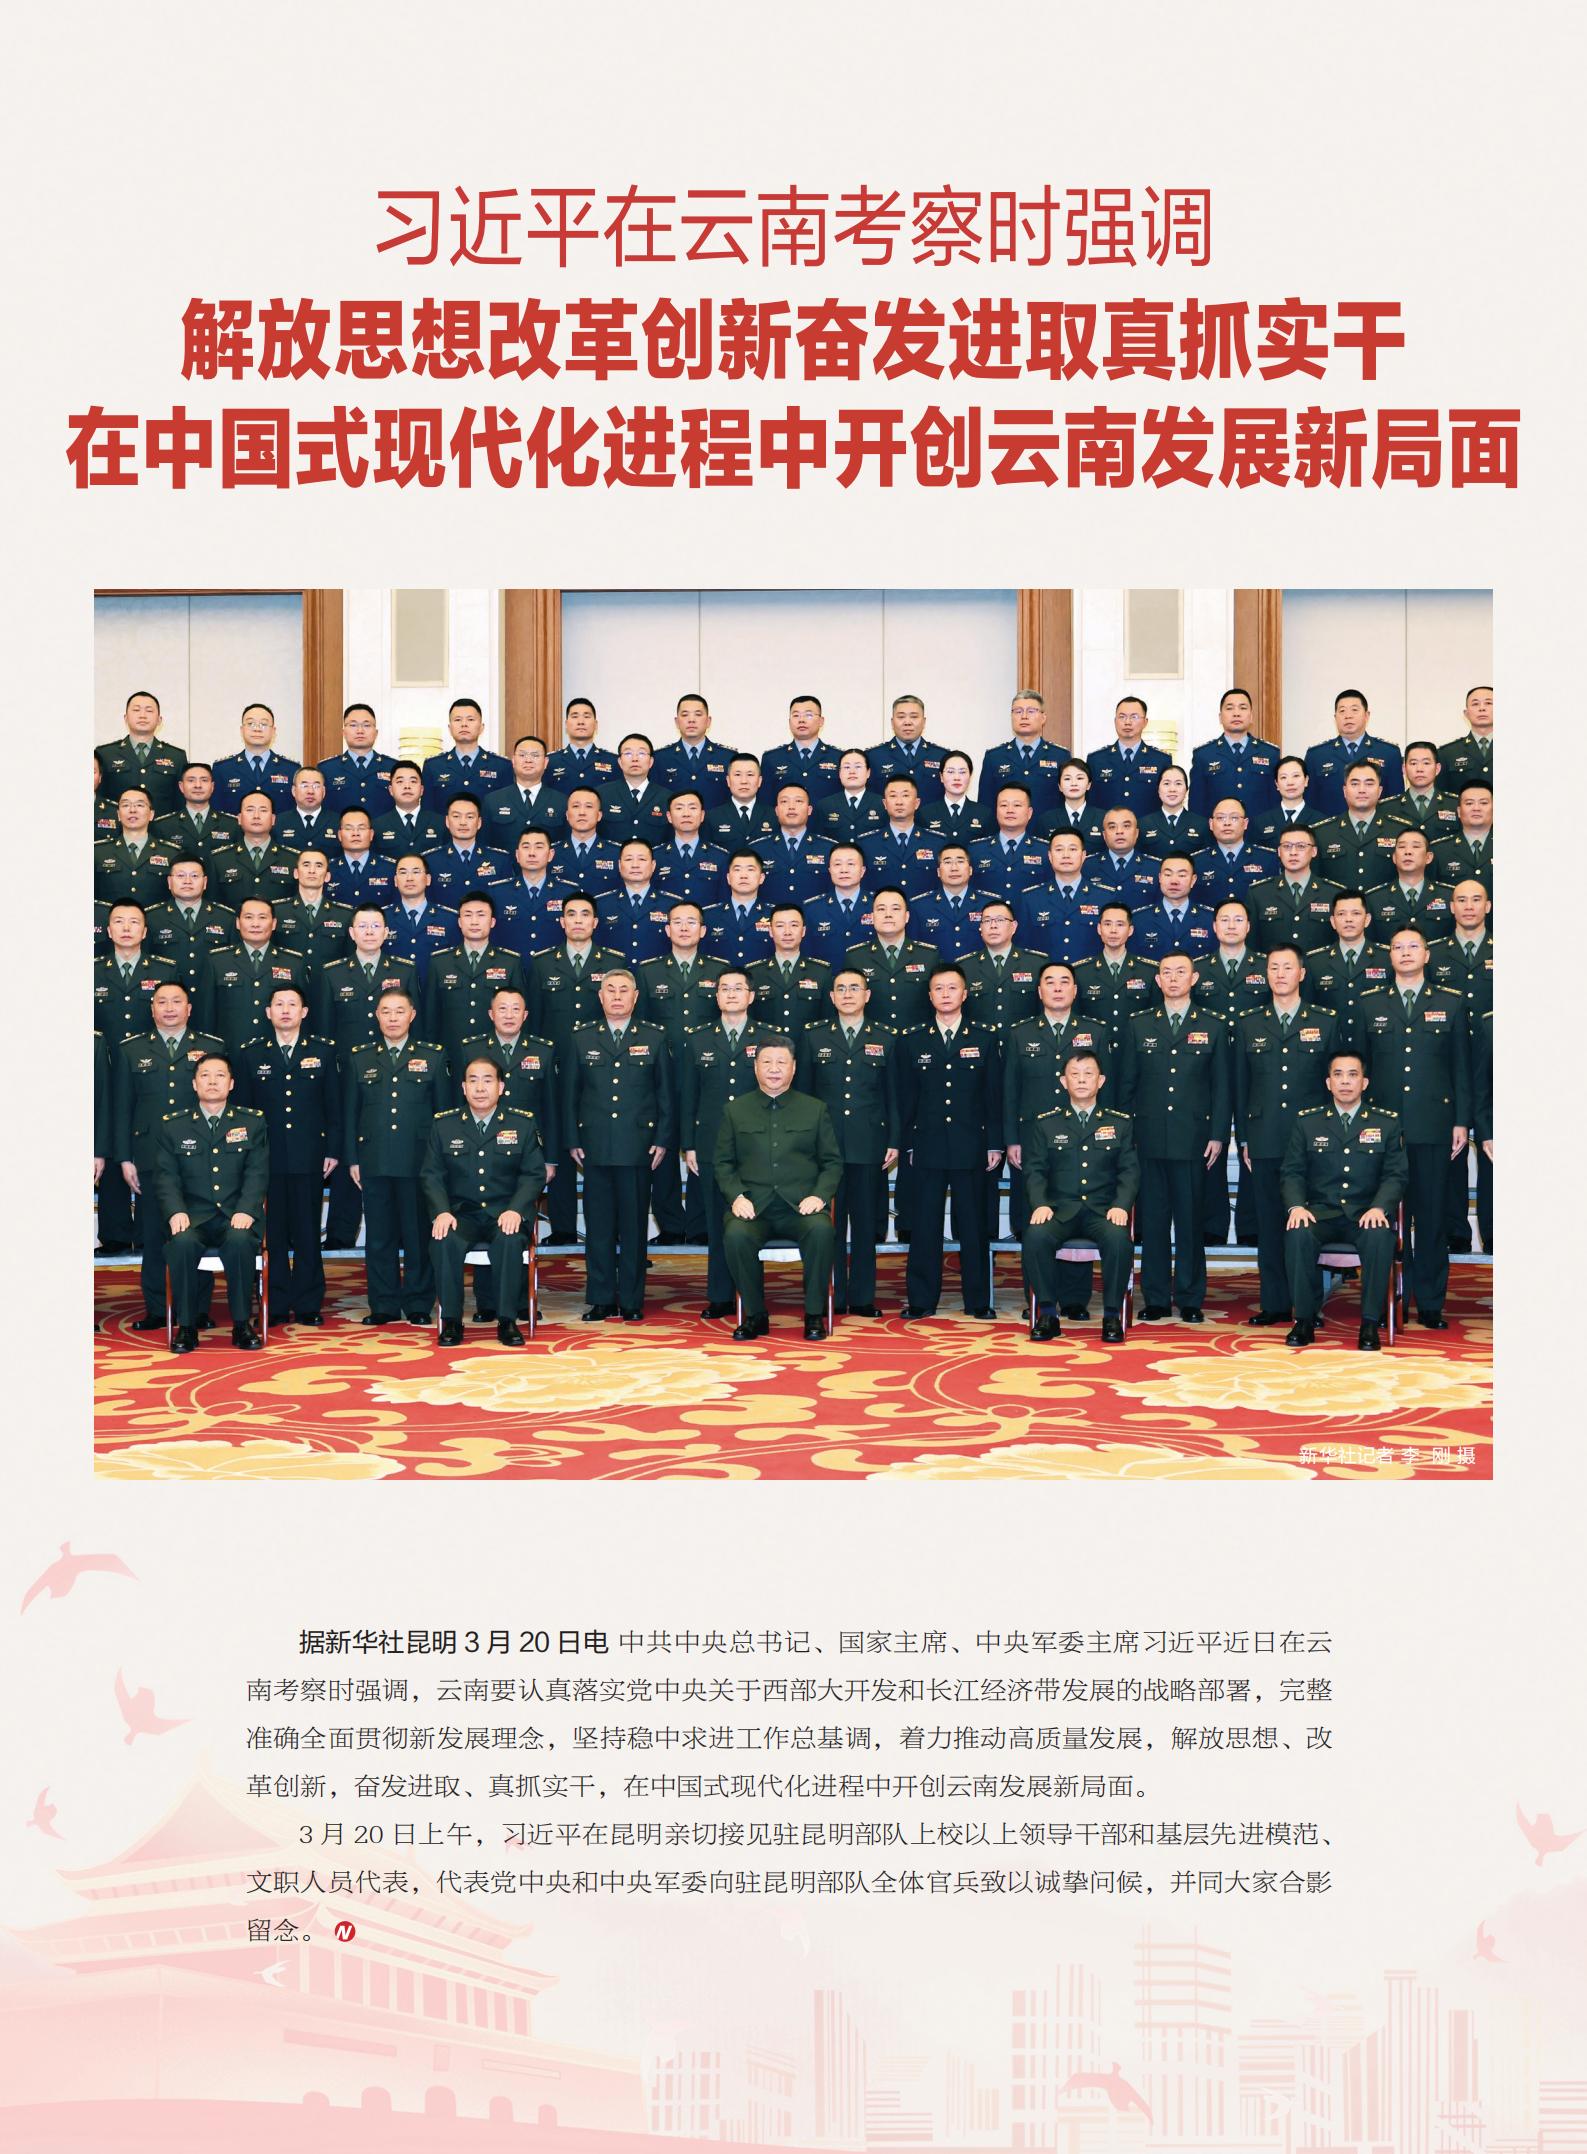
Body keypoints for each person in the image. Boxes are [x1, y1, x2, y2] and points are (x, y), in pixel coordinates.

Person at [1357, 926, 1470, 1327]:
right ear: (1389, 956)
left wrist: (1461, 1120)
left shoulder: (1451, 1002)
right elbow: (1360, 1071)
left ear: (1427, 955)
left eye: (1413, 947)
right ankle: (1380, 1298)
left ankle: (1431, 1303)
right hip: (1382, 1134)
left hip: (1433, 1127)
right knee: (1380, 1218)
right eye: (1397, 947)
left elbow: (1461, 1068)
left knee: (1432, 1217)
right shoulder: (1370, 1003)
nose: (1405, 953)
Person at [1117, 951, 1228, 1321]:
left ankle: (1191, 1298)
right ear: (1158, 980)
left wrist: (1218, 1134)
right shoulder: (1139, 1024)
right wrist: (1125, 1137)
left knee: (1191, 1222)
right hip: (1147, 1139)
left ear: (1194, 979)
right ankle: (1156, 1298)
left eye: (1182, 972)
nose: (1174, 978)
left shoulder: (1213, 1025)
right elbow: (1126, 1086)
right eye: (1167, 972)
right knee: (1153, 1222)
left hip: (1194, 1139)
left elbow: (1221, 1088)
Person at [1234, 945, 1340, 1324]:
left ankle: (1308, 1306)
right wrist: (1244, 1138)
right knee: (1269, 1225)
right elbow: (1241, 1086)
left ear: (1302, 974)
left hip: (1312, 1142)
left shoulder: (1325, 1021)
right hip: (1263, 1137)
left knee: (1306, 1224)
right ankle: (1275, 1304)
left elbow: (1334, 1084)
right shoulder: (1249, 1023)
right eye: (1273, 968)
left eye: (1287, 967)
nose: (1280, 974)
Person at [112, 982, 224, 1329]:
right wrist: (125, 1158)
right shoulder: (131, 1049)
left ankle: (199, 1308)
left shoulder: (211, 1047)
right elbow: (122, 1107)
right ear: (152, 1009)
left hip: (200, 1156)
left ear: (189, 1008)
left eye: (177, 1001)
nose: (170, 1008)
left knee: (198, 1231)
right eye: (162, 1002)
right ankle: (158, 1309)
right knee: (154, 1233)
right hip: (149, 1156)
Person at [564, 968, 673, 1321]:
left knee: (633, 1228)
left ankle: (631, 1299)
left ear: (635, 997)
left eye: (623, 990)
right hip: (594, 1145)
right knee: (598, 1227)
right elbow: (570, 1094)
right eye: (609, 990)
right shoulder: (581, 1037)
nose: (616, 996)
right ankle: (600, 1298)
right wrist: (572, 1138)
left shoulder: (654, 1036)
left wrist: (662, 1139)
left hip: (638, 1146)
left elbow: (665, 1093)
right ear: (600, 997)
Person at [715, 1040, 843, 1340]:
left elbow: (832, 1162)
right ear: (756, 1067)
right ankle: (755, 1315)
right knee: (736, 1235)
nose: (774, 1069)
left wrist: (819, 1195)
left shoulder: (814, 1109)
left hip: (800, 1208)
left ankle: (814, 1315)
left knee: (821, 1230)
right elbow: (723, 1163)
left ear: (793, 1068)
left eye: (781, 1063)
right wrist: (736, 1197)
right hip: (754, 1208)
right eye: (767, 1062)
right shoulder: (735, 1110)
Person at [1281, 1052, 1409, 1350]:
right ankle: (1303, 1320)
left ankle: (1369, 1323)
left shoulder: (1386, 1123)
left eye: (1353, 1075)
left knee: (1379, 1236)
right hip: (1321, 1214)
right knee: (1297, 1233)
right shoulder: (1308, 1122)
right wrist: (1296, 1206)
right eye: (1338, 1075)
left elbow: (1396, 1175)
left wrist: (1379, 1207)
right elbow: (1292, 1172)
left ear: (1365, 1082)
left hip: (1365, 1214)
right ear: (1328, 1083)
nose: (1345, 1081)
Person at [896, 966, 1002, 1320]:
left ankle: (978, 1301)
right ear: (929, 996)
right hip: (926, 1146)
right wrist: (906, 1144)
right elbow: (905, 1099)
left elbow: (993, 1096)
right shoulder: (912, 1040)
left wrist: (995, 1144)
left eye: (952, 988)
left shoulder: (985, 1038)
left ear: (964, 994)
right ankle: (922, 1300)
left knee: (973, 1226)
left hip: (972, 1145)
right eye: (938, 988)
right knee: (924, 1226)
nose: (945, 994)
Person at [1003, 961, 1113, 1296]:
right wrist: (1011, 1139)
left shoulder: (1094, 1032)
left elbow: (1109, 1090)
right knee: (1035, 1217)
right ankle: (1037, 1297)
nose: (1057, 988)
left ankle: (1076, 1298)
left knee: (1078, 1207)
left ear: (1075, 991)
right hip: (1033, 1141)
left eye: (1064, 982)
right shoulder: (1020, 1033)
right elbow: (1010, 1091)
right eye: (1049, 982)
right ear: (1039, 991)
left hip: (1083, 1139)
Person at [235, 983, 341, 1327]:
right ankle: (276, 1302)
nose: (285, 1010)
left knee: (308, 1232)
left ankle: (309, 1302)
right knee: (274, 1234)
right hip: (266, 1160)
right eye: (278, 1004)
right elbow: (244, 1113)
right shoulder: (251, 1054)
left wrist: (333, 1150)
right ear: (268, 1012)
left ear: (304, 1012)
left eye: (292, 1004)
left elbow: (333, 1106)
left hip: (310, 1156)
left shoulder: (323, 1051)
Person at [423, 1058, 547, 1347]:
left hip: (504, 1213)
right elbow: (431, 1175)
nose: (480, 1088)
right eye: (473, 1081)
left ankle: (507, 1321)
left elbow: (533, 1174)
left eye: (488, 1080)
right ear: (463, 1087)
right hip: (461, 1215)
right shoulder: (444, 1125)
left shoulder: (521, 1123)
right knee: (444, 1240)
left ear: (501, 1087)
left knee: (508, 1240)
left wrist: (517, 1209)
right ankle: (451, 1321)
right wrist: (441, 1212)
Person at [796, 970, 899, 1316]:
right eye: (840, 989)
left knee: (866, 1224)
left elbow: (893, 1095)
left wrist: (894, 1139)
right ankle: (834, 1295)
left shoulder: (886, 1037)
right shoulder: (813, 1036)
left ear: (867, 995)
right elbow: (803, 1096)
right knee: (830, 1226)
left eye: (855, 988)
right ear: (832, 997)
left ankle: (863, 1297)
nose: (848, 994)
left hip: (870, 1144)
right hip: (825, 1148)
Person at [344, 988, 448, 1324]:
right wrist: (353, 1158)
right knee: (379, 1236)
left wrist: (441, 1161)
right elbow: (351, 1113)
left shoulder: (433, 1056)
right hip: (374, 1159)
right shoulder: (360, 1057)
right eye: (386, 1011)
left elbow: (443, 1116)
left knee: (418, 1235)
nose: (392, 1018)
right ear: (376, 1015)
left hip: (419, 1161)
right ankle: (384, 1304)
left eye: (399, 1011)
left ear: (412, 1015)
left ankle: (418, 1302)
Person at [154, 1053, 269, 1352]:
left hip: (235, 1214)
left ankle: (242, 1325)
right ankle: (187, 1327)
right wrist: (175, 1211)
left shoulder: (251, 1122)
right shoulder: (173, 1125)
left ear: (231, 1083)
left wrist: (247, 1209)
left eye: (220, 1075)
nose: (213, 1081)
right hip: (193, 1217)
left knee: (240, 1241)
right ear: (194, 1084)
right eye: (205, 1075)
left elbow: (257, 1172)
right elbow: (166, 1176)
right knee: (181, 1243)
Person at [528, 892, 626, 1243]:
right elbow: (534, 1022)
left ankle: (613, 1233)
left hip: (603, 1070)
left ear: (595, 922)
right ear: (562, 921)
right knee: (558, 1144)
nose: (579, 920)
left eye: (585, 914)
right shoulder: (542, 964)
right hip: (556, 1071)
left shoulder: (614, 962)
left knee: (602, 1148)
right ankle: (564, 1228)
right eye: (572, 914)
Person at [1021, 1049, 1138, 1342]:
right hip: (1060, 1211)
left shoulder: (1120, 1123)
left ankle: (1111, 1316)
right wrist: (1040, 1203)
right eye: (1075, 1074)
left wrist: (1121, 1205)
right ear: (1064, 1081)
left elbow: (1129, 1171)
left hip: (1102, 1211)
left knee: (1118, 1240)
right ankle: (1048, 1313)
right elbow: (1035, 1170)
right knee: (1035, 1236)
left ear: (1101, 1081)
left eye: (1089, 1074)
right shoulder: (1047, 1123)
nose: (1082, 1080)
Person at [681, 971, 773, 1317]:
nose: (731, 994)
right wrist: (689, 1144)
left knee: (751, 1221)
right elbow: (688, 1096)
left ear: (751, 996)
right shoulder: (698, 1039)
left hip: (757, 1144)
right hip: (711, 1144)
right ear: (716, 996)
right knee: (717, 1221)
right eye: (724, 989)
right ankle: (720, 1295)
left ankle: (751, 1294)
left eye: (738, 988)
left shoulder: (769, 1038)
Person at [637, 900, 724, 1242]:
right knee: (662, 1149)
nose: (684, 927)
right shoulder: (648, 972)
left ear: (703, 930)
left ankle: (701, 1225)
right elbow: (642, 1027)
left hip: (706, 1076)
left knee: (704, 1147)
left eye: (692, 922)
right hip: (663, 1076)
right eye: (677, 922)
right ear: (667, 929)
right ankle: (671, 1225)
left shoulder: (719, 970)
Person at [194, 897, 311, 1054]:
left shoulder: (293, 963)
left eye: (262, 917)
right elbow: (206, 1016)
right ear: (238, 923)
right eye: (248, 917)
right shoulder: (217, 961)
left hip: (277, 1055)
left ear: (274, 923)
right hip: (230, 1054)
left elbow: (303, 1017)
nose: (255, 924)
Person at [422, 893, 529, 1058]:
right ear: (459, 922)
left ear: (492, 922)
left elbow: (521, 1014)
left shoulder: (510, 962)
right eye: (468, 915)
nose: (474, 921)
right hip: (452, 1054)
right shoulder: (440, 962)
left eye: (481, 915)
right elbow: (431, 1017)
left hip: (495, 1055)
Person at [1302, 889, 1393, 1053]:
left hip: (1375, 1049)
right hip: (1330, 1050)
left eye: (1356, 913)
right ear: (1332, 921)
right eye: (1341, 914)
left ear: (1367, 919)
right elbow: (1308, 1013)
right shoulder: (1315, 962)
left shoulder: (1387, 958)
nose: (1348, 919)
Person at [1302, 688, 1405, 815]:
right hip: (1330, 826)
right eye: (1342, 711)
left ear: (1367, 715)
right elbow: (1309, 805)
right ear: (1335, 717)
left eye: (1354, 710)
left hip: (1376, 826)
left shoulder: (1389, 753)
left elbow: (1396, 803)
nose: (1348, 716)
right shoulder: (1316, 755)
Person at [1073, 900, 1157, 1052]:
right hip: (1094, 1053)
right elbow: (1076, 1020)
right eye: (1107, 924)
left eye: (1120, 924)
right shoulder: (1080, 972)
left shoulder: (1149, 971)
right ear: (1099, 929)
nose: (1113, 930)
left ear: (1130, 930)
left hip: (1135, 1052)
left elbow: (1154, 1020)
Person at [1016, 830, 1110, 963]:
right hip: (1046, 974)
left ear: (1083, 855)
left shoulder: (1105, 897)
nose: (1066, 855)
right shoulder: (1031, 898)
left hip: (1091, 974)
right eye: (1059, 849)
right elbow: (1022, 948)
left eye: (1072, 849)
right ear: (1050, 856)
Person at [1245, 825, 1342, 953]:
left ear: (1314, 851)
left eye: (1301, 846)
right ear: (1279, 851)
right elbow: (1252, 947)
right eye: (1287, 846)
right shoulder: (1259, 893)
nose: (1293, 852)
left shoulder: (1333, 893)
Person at [1309, 761, 1403, 892]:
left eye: (1369, 784)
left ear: (1380, 791)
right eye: (1354, 784)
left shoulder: (1399, 831)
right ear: (1344, 791)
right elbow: (1315, 885)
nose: (1362, 790)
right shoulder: (1322, 833)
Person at [1188, 687, 1280, 818]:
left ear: (1251, 716)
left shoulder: (1270, 753)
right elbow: (1197, 805)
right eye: (1230, 708)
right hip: (1218, 830)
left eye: (1243, 708)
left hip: (1260, 830)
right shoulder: (1203, 755)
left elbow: (1276, 802)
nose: (1236, 713)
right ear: (1220, 717)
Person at [145, 856, 237, 988]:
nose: (187, 881)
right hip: (169, 996)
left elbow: (232, 963)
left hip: (211, 994)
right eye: (180, 876)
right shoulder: (152, 918)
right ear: (169, 882)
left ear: (205, 882)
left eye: (194, 876)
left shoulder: (226, 918)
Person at [747, 909, 832, 1044]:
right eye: (780, 926)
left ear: (803, 931)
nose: (787, 932)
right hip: (768, 1052)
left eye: (794, 925)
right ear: (770, 931)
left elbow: (828, 1021)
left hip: (808, 1051)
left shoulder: (821, 972)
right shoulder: (754, 973)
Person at [96, 689, 188, 814]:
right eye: (136, 710)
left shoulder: (176, 756)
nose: (142, 715)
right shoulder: (105, 754)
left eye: (149, 711)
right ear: (126, 718)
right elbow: (98, 800)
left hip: (162, 826)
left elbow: (181, 803)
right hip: (117, 825)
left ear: (159, 720)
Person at [492, 827, 576, 963]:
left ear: (551, 854)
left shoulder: (568, 893)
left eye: (539, 847)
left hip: (554, 969)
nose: (532, 853)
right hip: (511, 970)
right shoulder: (498, 893)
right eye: (526, 847)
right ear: (517, 855)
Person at [960, 901, 1045, 1034]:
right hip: (980, 1044)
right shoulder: (965, 967)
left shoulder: (1036, 964)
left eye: (1000, 920)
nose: (993, 925)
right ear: (980, 928)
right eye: (987, 921)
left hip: (1024, 1044)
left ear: (1013, 926)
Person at [207, 790, 301, 911]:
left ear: (273, 819)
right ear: (239, 818)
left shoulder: (293, 859)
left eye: (263, 810)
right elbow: (213, 907)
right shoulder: (219, 859)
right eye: (250, 810)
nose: (256, 816)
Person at [977, 689, 1064, 816]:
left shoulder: (1060, 756)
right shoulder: (994, 757)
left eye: (1031, 711)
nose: (1024, 716)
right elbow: (985, 807)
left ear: (1043, 717)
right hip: (1007, 828)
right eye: (1018, 711)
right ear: (1011, 716)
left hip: (1048, 828)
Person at [421, 696, 512, 813]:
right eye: (458, 720)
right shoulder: (433, 766)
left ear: (481, 727)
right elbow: (427, 812)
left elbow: (506, 811)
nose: (464, 724)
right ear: (450, 728)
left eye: (470, 719)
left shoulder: (501, 766)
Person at [275, 848, 354, 981]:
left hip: (328, 986)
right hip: (288, 985)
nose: (312, 871)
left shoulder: (345, 915)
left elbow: (349, 960)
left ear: (327, 876)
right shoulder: (278, 911)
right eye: (306, 865)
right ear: (296, 873)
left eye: (319, 865)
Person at [1366, 827, 1454, 945]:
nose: (1408, 852)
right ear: (1394, 857)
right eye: (1402, 847)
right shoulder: (1374, 900)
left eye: (1416, 846)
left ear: (1428, 857)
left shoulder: (1448, 896)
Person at [860, 775, 944, 899]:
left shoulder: (937, 842)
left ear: (917, 803)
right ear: (885, 803)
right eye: (893, 796)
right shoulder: (867, 844)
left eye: (905, 795)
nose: (899, 802)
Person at [95, 787, 180, 909]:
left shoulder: (172, 853)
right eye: (126, 805)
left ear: (151, 814)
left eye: (139, 805)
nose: (132, 810)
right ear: (118, 814)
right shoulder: (98, 852)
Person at [480, 732, 569, 849]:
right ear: (513, 761)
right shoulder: (492, 801)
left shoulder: (562, 801)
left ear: (546, 762)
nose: (528, 760)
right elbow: (484, 846)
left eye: (535, 755)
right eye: (522, 755)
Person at [421, 794, 513, 905]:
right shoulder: (430, 861)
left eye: (469, 817)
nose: (463, 822)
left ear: (479, 822)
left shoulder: (500, 860)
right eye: (456, 816)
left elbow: (506, 901)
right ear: (447, 821)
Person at [1086, 695, 1168, 819]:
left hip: (1148, 829)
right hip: (1108, 829)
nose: (1127, 722)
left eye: (1134, 717)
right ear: (1115, 721)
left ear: (1145, 722)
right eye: (1122, 717)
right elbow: (1090, 803)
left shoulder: (1161, 760)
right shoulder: (1096, 760)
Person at [650, 692, 737, 807]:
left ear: (708, 721)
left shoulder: (727, 757)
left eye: (698, 714)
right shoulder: (660, 758)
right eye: (685, 715)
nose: (691, 720)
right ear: (677, 722)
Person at [382, 853, 460, 982]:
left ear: (428, 879)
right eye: (403, 873)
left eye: (416, 872)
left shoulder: (448, 919)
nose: (409, 878)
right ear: (395, 881)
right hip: (395, 991)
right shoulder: (382, 918)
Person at [1191, 798, 1278, 912]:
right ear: (1211, 824)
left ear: (1245, 823)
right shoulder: (1196, 862)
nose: (1227, 823)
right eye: (1221, 818)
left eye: (1234, 818)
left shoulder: (1267, 859)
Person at [210, 703, 300, 814]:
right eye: (251, 724)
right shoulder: (222, 769)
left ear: (273, 731)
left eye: (263, 724)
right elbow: (216, 813)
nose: (257, 729)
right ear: (242, 730)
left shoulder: (291, 769)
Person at [595, 839, 673, 965]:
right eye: (628, 859)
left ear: (653, 865)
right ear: (619, 865)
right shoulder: (602, 905)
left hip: (657, 976)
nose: (635, 865)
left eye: (642, 859)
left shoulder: (671, 905)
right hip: (614, 975)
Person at [1128, 854, 1217, 964]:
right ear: (1160, 878)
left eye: (1182, 875)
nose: (1174, 881)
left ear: (1193, 880)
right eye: (1168, 874)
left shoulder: (1209, 920)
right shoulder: (1139, 920)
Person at [969, 783, 1050, 903]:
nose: (1010, 810)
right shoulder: (976, 850)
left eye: (1017, 805)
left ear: (1029, 813)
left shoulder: (1045, 851)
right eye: (1003, 805)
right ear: (996, 811)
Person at [866, 691, 951, 803]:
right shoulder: (873, 757)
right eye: (901, 717)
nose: (907, 722)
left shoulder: (942, 757)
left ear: (924, 722)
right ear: (892, 722)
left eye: (914, 717)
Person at [317, 701, 397, 821]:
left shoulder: (393, 767)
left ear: (376, 733)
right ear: (343, 732)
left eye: (366, 725)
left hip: (383, 833)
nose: (360, 731)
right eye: (353, 725)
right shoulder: (326, 769)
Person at [652, 788, 730, 909]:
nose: (686, 814)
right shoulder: (655, 857)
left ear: (702, 815)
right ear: (669, 816)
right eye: (679, 808)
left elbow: (725, 903)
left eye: (692, 808)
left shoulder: (720, 857)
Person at [802, 843, 876, 965]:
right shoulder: (812, 909)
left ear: (862, 871)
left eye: (850, 864)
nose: (844, 870)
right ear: (830, 870)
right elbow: (807, 954)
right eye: (837, 864)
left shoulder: (877, 904)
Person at [761, 784, 833, 909]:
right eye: (784, 801)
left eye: (798, 801)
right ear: (776, 810)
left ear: (809, 810)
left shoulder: (828, 849)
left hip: (816, 919)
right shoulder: (758, 849)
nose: (791, 807)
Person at [761, 693, 844, 800]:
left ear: (821, 721)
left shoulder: (838, 757)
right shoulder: (772, 758)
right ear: (789, 722)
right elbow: (765, 802)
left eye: (808, 715)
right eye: (796, 715)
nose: (801, 720)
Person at [597, 732, 672, 849]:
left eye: (641, 753)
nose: (635, 759)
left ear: (651, 762)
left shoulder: (667, 797)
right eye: (628, 753)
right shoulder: (602, 794)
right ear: (620, 762)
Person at [152, 760, 238, 861]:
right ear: (181, 786)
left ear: (212, 787)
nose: (198, 785)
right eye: (191, 780)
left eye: (204, 780)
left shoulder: (232, 825)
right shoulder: (163, 826)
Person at [912, 845, 987, 960]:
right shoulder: (920, 907)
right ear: (938, 871)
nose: (954, 868)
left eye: (960, 861)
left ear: (970, 870)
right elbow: (914, 951)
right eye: (947, 862)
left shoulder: (988, 904)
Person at [701, 849, 773, 970]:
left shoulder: (774, 915)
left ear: (761, 878)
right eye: (737, 869)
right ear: (728, 878)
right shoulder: (709, 916)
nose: (743, 875)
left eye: (750, 870)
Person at [371, 759, 448, 858]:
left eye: (413, 781)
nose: (407, 786)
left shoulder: (441, 823)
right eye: (400, 781)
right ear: (391, 790)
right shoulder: (377, 826)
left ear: (421, 790)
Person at [545, 695, 619, 795]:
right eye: (575, 717)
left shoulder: (613, 761)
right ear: (566, 725)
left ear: (596, 725)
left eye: (587, 716)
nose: (581, 722)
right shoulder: (549, 762)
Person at [1089, 806, 1160, 909]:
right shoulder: (1087, 867)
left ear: (1136, 833)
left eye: (1126, 826)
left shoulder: (1155, 868)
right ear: (1104, 835)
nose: (1119, 831)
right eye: (1112, 827)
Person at [1431, 780, 1494, 895]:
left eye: (1484, 803)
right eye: (1469, 803)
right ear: (1459, 812)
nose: (1476, 808)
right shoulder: (1439, 851)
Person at [815, 748, 889, 846]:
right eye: (847, 767)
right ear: (839, 773)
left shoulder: (882, 804)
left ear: (868, 772)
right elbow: (820, 843)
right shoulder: (825, 805)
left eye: (858, 766)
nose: (852, 771)